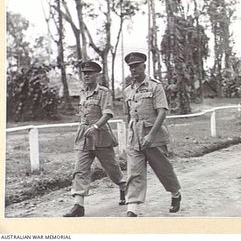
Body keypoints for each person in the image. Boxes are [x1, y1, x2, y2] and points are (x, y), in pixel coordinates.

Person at [63, 61, 126, 217]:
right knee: (80, 168)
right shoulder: (82, 91)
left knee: (111, 168)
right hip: (84, 136)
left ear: (97, 75)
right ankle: (78, 205)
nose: (86, 76)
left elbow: (108, 113)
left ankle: (123, 186)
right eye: (84, 73)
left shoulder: (103, 92)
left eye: (90, 73)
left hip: (100, 135)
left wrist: (96, 126)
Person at [123, 52, 181, 217]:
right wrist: (130, 134)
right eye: (131, 67)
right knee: (134, 171)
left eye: (137, 66)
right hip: (135, 137)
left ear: (144, 67)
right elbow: (129, 115)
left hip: (153, 135)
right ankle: (132, 207)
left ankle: (175, 192)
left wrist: (151, 135)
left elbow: (162, 112)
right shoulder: (128, 90)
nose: (134, 69)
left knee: (163, 169)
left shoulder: (155, 86)